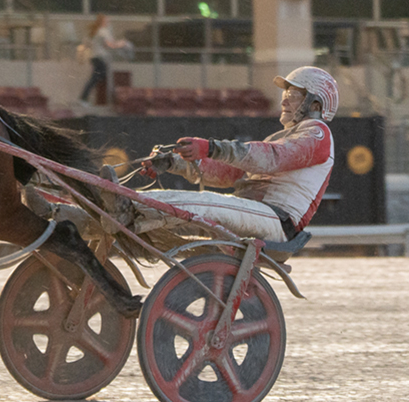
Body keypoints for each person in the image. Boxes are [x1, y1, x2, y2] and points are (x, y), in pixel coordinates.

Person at [123, 66, 339, 243]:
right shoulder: (287, 136)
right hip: (261, 214)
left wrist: (211, 147)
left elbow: (272, 158)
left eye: (292, 95)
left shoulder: (318, 133)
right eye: (285, 94)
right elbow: (228, 173)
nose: (283, 101)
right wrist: (172, 162)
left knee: (203, 202)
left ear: (316, 105)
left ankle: (126, 206)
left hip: (276, 219)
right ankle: (128, 209)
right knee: (197, 205)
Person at [79, 14, 130, 105]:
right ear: (103, 22)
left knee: (98, 77)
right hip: (99, 58)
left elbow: (104, 45)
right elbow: (111, 45)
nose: (109, 23)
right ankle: (83, 98)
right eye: (107, 21)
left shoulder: (96, 31)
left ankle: (87, 98)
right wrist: (122, 44)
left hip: (95, 57)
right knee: (96, 77)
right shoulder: (103, 31)